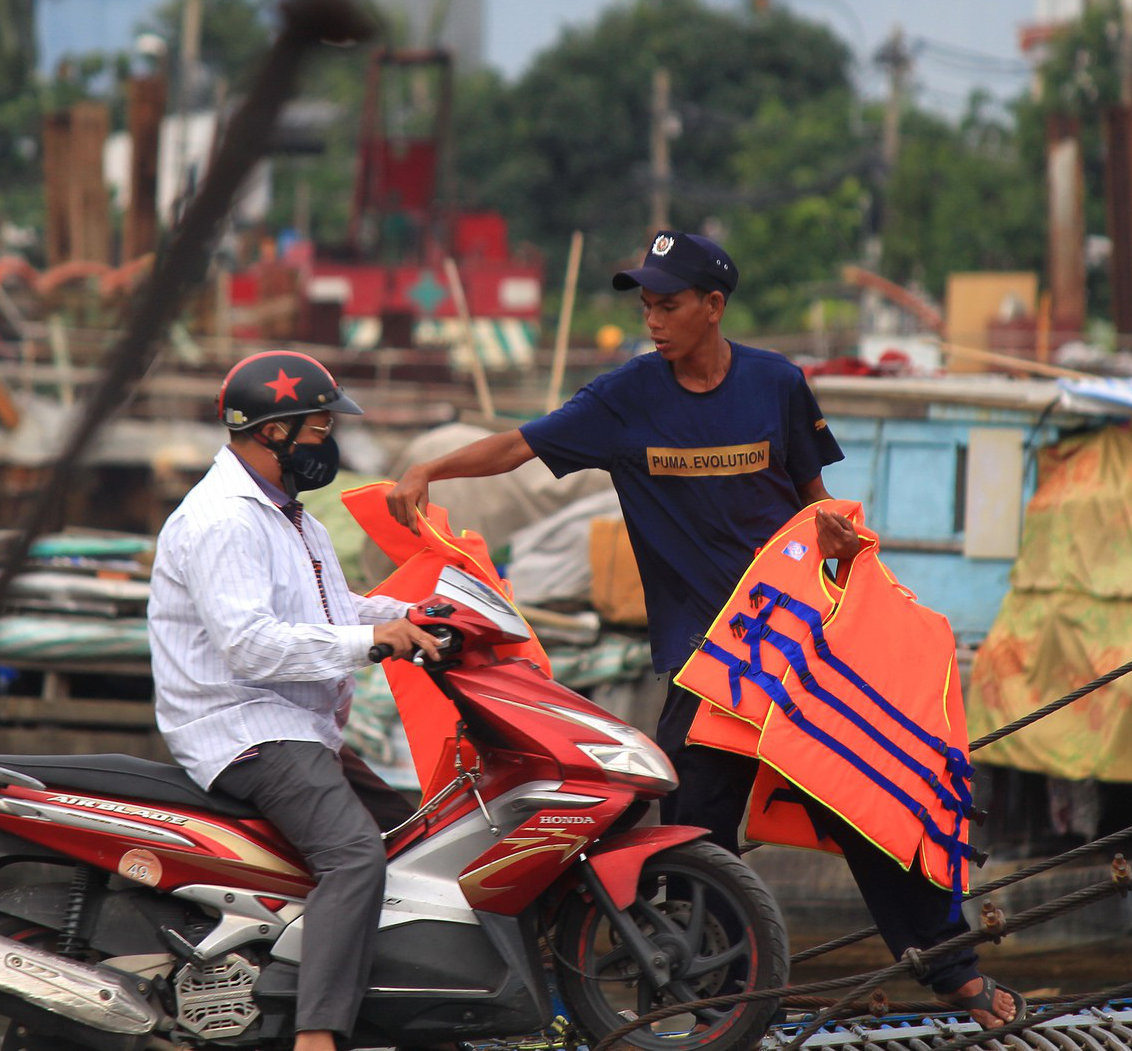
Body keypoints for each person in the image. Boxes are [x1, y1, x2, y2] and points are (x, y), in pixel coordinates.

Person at [388, 230, 1022, 1030]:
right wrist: (428, 470)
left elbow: (812, 497)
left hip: (796, 647)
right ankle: (704, 1001)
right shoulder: (626, 400)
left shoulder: (778, 384)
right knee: (691, 835)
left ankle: (954, 972)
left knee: (871, 799)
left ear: (713, 306)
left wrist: (835, 541)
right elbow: (521, 442)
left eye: (669, 303)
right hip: (705, 660)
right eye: (646, 304)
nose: (653, 319)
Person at [150, 350, 446, 1051]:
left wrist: (427, 611)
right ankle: (317, 1036)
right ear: (273, 432)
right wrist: (374, 642)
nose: (329, 442)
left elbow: (334, 606)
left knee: (419, 838)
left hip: (301, 726)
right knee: (354, 855)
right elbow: (250, 645)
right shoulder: (226, 519)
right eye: (318, 429)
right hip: (244, 727)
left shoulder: (293, 518)